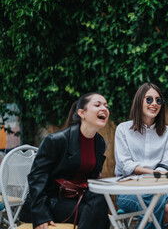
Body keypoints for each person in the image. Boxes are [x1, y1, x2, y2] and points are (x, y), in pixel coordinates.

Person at [25, 92, 111, 229]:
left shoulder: (100, 143)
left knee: (99, 200)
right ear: (82, 113)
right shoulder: (56, 140)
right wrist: (41, 214)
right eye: (97, 105)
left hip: (79, 198)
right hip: (50, 201)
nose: (104, 108)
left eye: (106, 106)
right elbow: (37, 177)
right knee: (99, 216)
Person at [114, 82, 168, 229]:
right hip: (128, 190)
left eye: (158, 100)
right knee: (165, 208)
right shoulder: (123, 129)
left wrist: (157, 174)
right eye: (149, 99)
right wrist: (153, 172)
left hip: (158, 188)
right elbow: (126, 165)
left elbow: (165, 166)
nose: (154, 103)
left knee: (160, 201)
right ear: (139, 101)